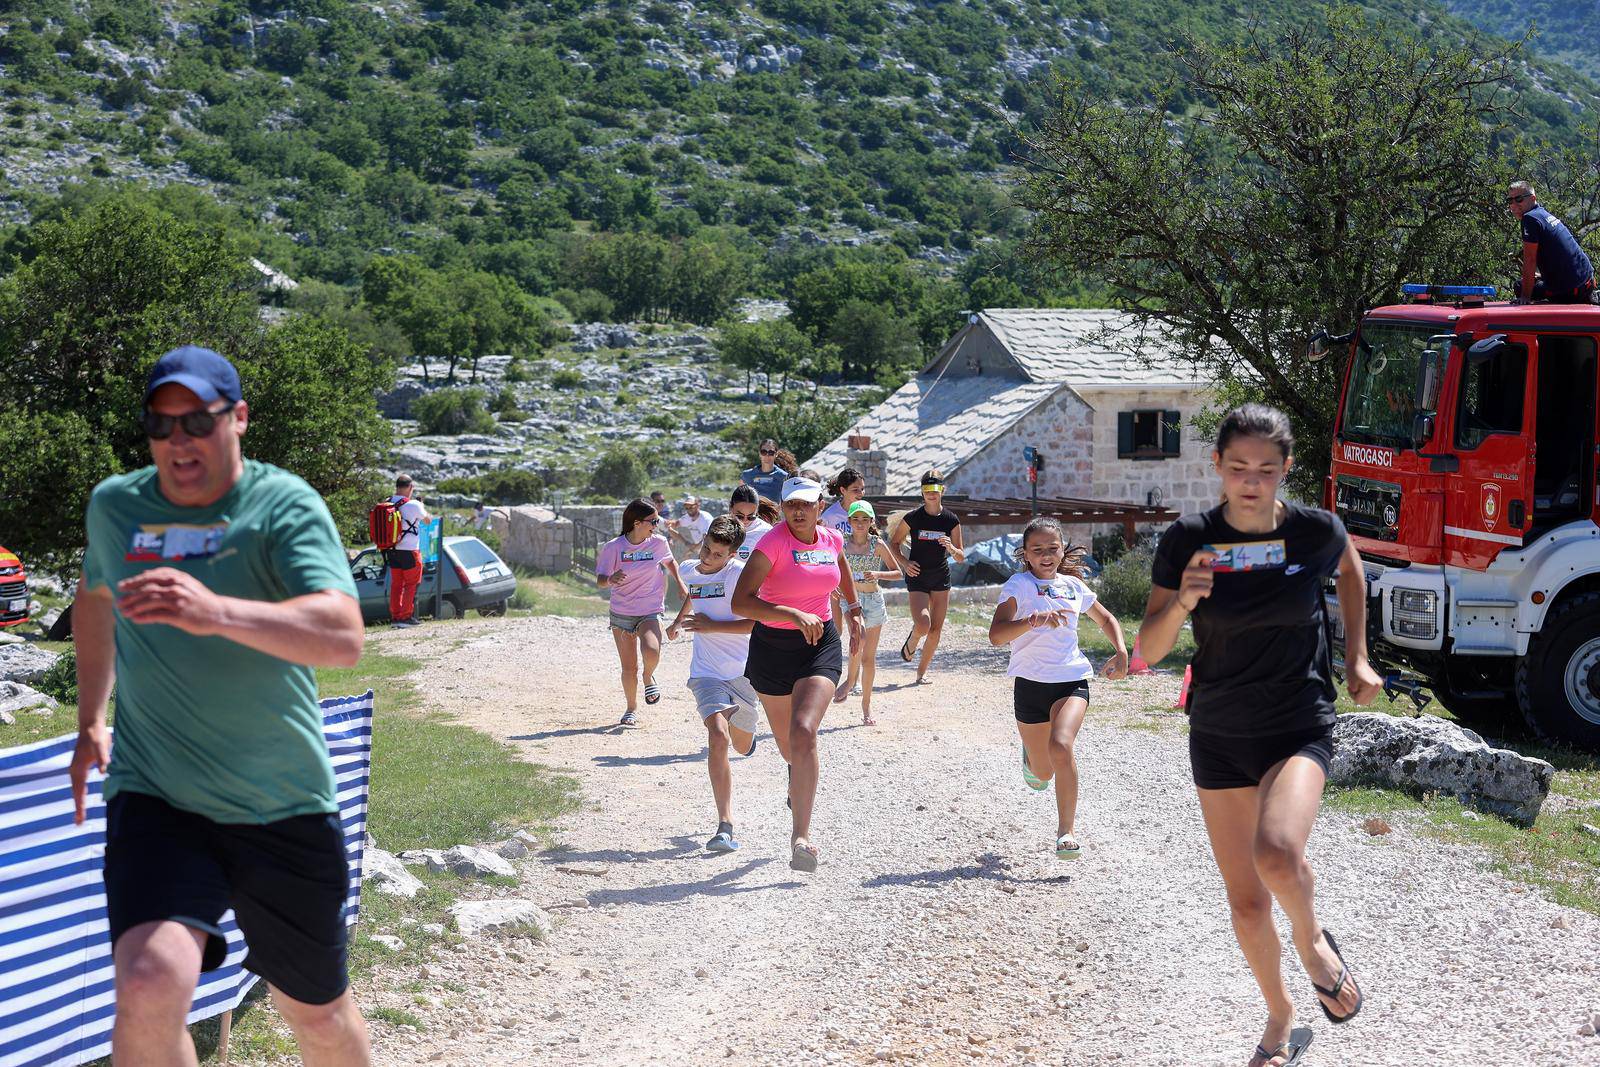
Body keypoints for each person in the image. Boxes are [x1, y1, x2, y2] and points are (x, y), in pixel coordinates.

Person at [69, 345, 372, 1065]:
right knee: (147, 981)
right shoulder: (117, 506)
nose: (179, 441)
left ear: (237, 418)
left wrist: (215, 613)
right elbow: (93, 601)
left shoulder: (281, 506)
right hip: (158, 794)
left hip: (283, 801)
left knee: (318, 1014)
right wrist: (89, 717)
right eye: (161, 422)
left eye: (198, 421)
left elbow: (342, 635)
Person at [1138, 404, 1380, 1067]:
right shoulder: (1188, 538)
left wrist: (1356, 656)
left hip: (1297, 720)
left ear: (1286, 470)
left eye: (1266, 470)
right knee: (1246, 904)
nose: (1251, 481)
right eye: (1238, 467)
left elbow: (1350, 570)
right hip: (1218, 729)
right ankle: (1280, 1014)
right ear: (1216, 465)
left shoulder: (1313, 530)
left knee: (1277, 853)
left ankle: (1312, 946)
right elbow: (1148, 648)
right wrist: (1184, 600)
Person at [731, 475, 864, 871]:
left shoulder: (831, 540)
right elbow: (742, 601)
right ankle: (795, 771)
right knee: (791, 747)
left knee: (804, 731)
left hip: (819, 644)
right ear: (784, 506)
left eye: (806, 504)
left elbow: (841, 569)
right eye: (792, 505)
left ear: (820, 505)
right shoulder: (771, 544)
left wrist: (854, 610)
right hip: (772, 650)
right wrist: (789, 612)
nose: (799, 511)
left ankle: (800, 837)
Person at [988, 517, 1128, 859]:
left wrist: (1122, 651)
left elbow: (1106, 619)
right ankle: (1031, 758)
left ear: (1062, 549)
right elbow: (996, 635)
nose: (1046, 555)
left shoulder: (1074, 587)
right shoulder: (1018, 586)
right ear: (1026, 553)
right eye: (1038, 550)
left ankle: (1066, 832)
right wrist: (1031, 621)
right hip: (1030, 686)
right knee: (1042, 771)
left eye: (1053, 548)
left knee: (1062, 746)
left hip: (1071, 680)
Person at [666, 516, 760, 853]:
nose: (708, 558)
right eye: (707, 548)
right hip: (705, 673)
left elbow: (758, 623)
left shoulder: (740, 575)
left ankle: (747, 741)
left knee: (739, 745)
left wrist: (712, 626)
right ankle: (725, 826)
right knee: (717, 736)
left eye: (718, 554)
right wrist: (679, 622)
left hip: (744, 674)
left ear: (733, 554)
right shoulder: (690, 568)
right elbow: (694, 593)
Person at [596, 498, 686, 727]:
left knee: (652, 650)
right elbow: (600, 581)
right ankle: (631, 708)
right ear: (637, 523)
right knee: (629, 667)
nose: (656, 525)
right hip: (622, 612)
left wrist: (681, 584)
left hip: (650, 608)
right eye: (653, 521)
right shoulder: (613, 547)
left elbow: (670, 562)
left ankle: (649, 676)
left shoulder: (658, 542)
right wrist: (611, 579)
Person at [887, 470, 964, 684]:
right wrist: (905, 563)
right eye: (927, 489)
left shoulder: (951, 520)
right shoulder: (913, 518)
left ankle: (921, 673)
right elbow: (894, 543)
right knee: (923, 624)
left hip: (940, 578)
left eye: (935, 489)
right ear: (922, 491)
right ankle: (912, 641)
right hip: (918, 576)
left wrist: (951, 548)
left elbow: (960, 556)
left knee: (935, 630)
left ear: (942, 490)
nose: (931, 493)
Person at [834, 500, 900, 724]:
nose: (860, 524)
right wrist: (833, 586)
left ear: (871, 522)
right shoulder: (842, 545)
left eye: (864, 519)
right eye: (855, 519)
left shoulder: (878, 545)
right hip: (850, 601)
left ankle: (866, 705)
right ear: (849, 521)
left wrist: (878, 574)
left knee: (869, 659)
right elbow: (832, 571)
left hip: (873, 600)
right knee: (857, 636)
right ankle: (851, 681)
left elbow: (898, 573)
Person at [1508, 181, 1595, 304]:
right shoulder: (1542, 214)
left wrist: (1525, 298)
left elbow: (1530, 260)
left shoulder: (1530, 218)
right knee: (1532, 281)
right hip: (1587, 282)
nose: (1514, 204)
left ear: (1533, 198)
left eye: (1518, 199)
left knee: (1520, 286)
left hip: (1570, 291)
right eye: (1510, 200)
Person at [386, 474, 429, 628]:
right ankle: (406, 617)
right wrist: (421, 506)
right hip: (409, 550)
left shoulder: (387, 502)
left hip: (391, 550)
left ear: (397, 487)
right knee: (411, 584)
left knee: (396, 584)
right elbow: (427, 520)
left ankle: (396, 617)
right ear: (410, 488)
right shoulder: (414, 505)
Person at [728, 485, 773, 562]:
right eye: (739, 516)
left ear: (757, 511)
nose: (745, 521)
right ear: (730, 508)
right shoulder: (719, 526)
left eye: (751, 517)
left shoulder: (766, 532)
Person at [819, 467, 867, 537]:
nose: (861, 493)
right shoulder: (829, 516)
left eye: (862, 489)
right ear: (843, 490)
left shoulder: (866, 511)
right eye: (855, 490)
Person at [667, 494, 711, 559]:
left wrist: (691, 551)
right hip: (699, 550)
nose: (688, 510)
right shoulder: (687, 518)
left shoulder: (705, 519)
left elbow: (707, 539)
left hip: (710, 550)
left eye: (691, 507)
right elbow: (674, 525)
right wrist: (670, 537)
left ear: (697, 506)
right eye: (686, 508)